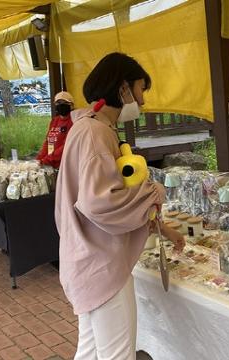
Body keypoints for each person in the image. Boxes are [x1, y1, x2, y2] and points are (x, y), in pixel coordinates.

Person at [55, 52, 185, 360]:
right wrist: (153, 192)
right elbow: (100, 202)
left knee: (90, 350)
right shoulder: (95, 132)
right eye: (141, 90)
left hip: (87, 259)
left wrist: (162, 229)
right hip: (100, 262)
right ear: (123, 89)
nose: (142, 101)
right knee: (117, 354)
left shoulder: (90, 126)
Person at [36, 91, 75, 168]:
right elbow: (49, 141)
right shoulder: (55, 120)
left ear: (71, 105)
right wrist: (39, 159)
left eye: (64, 102)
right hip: (51, 163)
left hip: (65, 165)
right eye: (58, 103)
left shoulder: (74, 121)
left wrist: (47, 160)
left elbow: (67, 146)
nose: (61, 105)